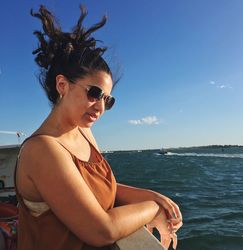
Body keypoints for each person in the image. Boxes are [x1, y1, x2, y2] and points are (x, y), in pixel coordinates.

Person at [14, 4, 182, 250]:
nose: (101, 108)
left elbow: (102, 190)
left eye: (108, 100)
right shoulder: (43, 149)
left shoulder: (84, 132)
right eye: (94, 93)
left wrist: (155, 196)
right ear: (62, 85)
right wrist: (153, 208)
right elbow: (102, 231)